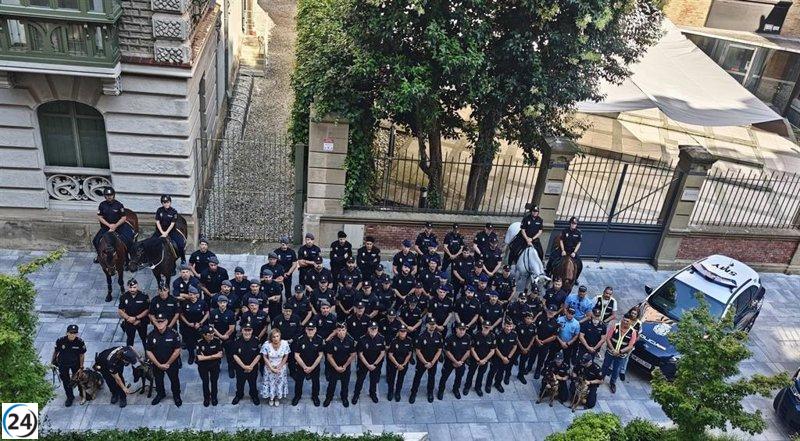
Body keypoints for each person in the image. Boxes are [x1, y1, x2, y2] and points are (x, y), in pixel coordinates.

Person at [146, 313, 183, 406]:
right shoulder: (151, 335)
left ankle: (176, 396)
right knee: (158, 380)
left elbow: (177, 350)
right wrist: (158, 364)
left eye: (162, 321)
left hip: (171, 363)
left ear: (166, 322)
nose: (160, 323)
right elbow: (148, 351)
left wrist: (168, 363)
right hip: (157, 363)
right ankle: (160, 394)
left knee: (174, 380)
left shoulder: (173, 334)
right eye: (158, 321)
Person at [409, 317, 443, 403]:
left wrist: (432, 362)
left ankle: (430, 393)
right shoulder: (421, 336)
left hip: (433, 362)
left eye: (434, 324)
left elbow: (439, 350)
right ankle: (413, 393)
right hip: (422, 362)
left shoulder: (438, 335)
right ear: (427, 325)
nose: (432, 326)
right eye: (430, 324)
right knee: (417, 378)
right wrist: (425, 362)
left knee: (431, 378)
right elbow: (418, 351)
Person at [602, 313, 638, 393]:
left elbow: (630, 346)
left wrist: (620, 352)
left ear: (631, 322)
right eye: (624, 320)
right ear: (622, 319)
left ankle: (612, 383)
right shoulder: (615, 326)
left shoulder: (633, 332)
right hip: (610, 352)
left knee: (616, 369)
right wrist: (613, 350)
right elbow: (608, 338)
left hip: (621, 355)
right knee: (605, 365)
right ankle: (601, 378)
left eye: (627, 321)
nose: (625, 322)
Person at [51, 324, 86, 407]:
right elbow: (56, 351)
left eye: (75, 333)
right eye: (71, 333)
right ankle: (70, 397)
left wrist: (81, 367)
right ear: (67, 333)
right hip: (63, 364)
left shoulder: (80, 342)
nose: (73, 335)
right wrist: (52, 362)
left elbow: (82, 355)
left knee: (78, 379)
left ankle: (82, 394)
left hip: (75, 364)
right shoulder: (61, 341)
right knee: (66, 381)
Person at [92, 187, 134, 255]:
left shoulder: (119, 205)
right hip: (106, 227)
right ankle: (99, 255)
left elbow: (123, 218)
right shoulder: (102, 205)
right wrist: (109, 226)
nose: (109, 197)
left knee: (128, 240)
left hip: (119, 227)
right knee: (95, 241)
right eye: (107, 195)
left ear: (113, 195)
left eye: (111, 195)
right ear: (105, 196)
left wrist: (115, 226)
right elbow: (100, 217)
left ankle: (128, 257)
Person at [291, 323, 325, 406]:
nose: (310, 331)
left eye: (312, 329)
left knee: (316, 382)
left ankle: (315, 396)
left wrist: (312, 367)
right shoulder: (300, 339)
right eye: (309, 329)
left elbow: (320, 354)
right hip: (302, 365)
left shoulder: (319, 339)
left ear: (315, 330)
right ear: (306, 330)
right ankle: (297, 396)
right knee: (299, 382)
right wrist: (304, 367)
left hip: (314, 365)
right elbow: (296, 355)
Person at [352, 321, 386, 404]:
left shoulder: (381, 338)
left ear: (377, 329)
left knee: (373, 380)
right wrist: (367, 365)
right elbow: (360, 354)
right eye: (372, 328)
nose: (373, 330)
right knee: (360, 380)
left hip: (375, 364)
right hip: (363, 364)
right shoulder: (362, 338)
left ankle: (372, 394)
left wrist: (374, 364)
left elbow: (382, 353)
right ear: (368, 329)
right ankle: (356, 394)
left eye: (375, 328)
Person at [437, 321, 471, 400]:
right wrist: (455, 362)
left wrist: (460, 362)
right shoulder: (450, 338)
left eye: (463, 329)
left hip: (461, 362)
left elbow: (468, 351)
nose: (462, 331)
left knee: (459, 377)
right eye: (460, 329)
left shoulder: (468, 338)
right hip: (449, 362)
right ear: (456, 329)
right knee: (444, 376)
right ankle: (441, 390)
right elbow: (447, 351)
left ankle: (455, 389)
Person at [232, 321, 261, 405]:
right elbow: (235, 355)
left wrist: (251, 366)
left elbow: (259, 355)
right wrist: (244, 366)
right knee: (240, 383)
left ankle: (254, 395)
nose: (247, 332)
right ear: (242, 330)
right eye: (245, 330)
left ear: (252, 331)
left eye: (249, 330)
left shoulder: (256, 341)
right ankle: (239, 395)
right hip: (240, 368)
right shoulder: (237, 341)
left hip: (253, 368)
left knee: (253, 383)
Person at [463, 322, 495, 397]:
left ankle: (478, 388)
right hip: (475, 359)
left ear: (490, 327)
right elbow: (472, 348)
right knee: (471, 373)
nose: (486, 328)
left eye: (488, 327)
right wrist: (478, 359)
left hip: (485, 360)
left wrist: (484, 360)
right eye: (485, 327)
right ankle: (467, 387)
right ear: (482, 326)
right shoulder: (475, 335)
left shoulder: (492, 336)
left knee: (481, 374)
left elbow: (492, 351)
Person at [261, 328, 291, 406]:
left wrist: (279, 367)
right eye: (273, 337)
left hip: (280, 368)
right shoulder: (266, 344)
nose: (276, 338)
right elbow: (264, 357)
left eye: (277, 336)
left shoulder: (285, 344)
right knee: (270, 383)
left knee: (279, 383)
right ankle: (271, 397)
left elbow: (286, 356)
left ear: (280, 336)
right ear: (271, 337)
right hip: (269, 368)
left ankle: (277, 397)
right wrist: (271, 368)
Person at [209, 295, 237, 378]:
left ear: (227, 303)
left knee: (230, 354)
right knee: (217, 354)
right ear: (218, 303)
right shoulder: (213, 313)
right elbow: (212, 326)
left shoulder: (231, 313)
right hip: (217, 337)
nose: (222, 304)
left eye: (224, 302)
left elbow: (232, 328)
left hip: (228, 337)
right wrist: (220, 336)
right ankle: (216, 369)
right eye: (221, 302)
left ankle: (231, 369)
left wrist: (226, 335)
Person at [179, 286, 209, 364]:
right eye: (190, 294)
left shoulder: (202, 302)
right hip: (189, 327)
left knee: (200, 342)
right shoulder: (185, 303)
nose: (191, 296)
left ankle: (199, 355)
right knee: (189, 343)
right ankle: (191, 355)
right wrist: (188, 323)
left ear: (196, 294)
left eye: (193, 294)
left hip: (199, 326)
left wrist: (200, 323)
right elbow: (181, 314)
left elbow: (207, 313)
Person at [153, 194, 185, 263]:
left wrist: (166, 233)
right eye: (164, 202)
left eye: (167, 202)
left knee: (180, 244)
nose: (166, 204)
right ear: (162, 203)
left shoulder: (174, 212)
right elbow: (157, 222)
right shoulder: (159, 210)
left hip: (171, 231)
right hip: (160, 231)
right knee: (151, 243)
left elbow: (172, 224)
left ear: (170, 202)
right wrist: (162, 232)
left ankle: (183, 259)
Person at [118, 278, 149, 349]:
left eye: (134, 287)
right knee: (130, 340)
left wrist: (136, 318)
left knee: (144, 339)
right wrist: (128, 318)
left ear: (137, 287)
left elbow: (147, 310)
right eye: (130, 287)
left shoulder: (144, 296)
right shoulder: (124, 297)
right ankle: (129, 357)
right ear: (127, 287)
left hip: (141, 321)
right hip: (129, 322)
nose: (132, 289)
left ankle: (148, 357)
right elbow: (120, 310)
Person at [487, 319, 517, 392]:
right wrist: (502, 357)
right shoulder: (498, 334)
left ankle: (498, 384)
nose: (509, 328)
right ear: (504, 325)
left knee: (501, 372)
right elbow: (495, 347)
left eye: (510, 326)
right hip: (497, 357)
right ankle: (488, 385)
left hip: (507, 358)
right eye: (507, 326)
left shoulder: (514, 334)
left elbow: (515, 346)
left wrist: (508, 357)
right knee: (492, 371)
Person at [196, 325, 223, 407]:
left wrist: (206, 357)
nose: (212, 335)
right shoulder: (200, 342)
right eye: (209, 334)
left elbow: (220, 355)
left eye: (213, 333)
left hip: (215, 365)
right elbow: (199, 358)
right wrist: (213, 356)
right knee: (205, 382)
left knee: (214, 381)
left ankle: (214, 397)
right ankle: (206, 398)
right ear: (204, 335)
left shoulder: (217, 341)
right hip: (203, 366)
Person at [385, 324, 413, 402]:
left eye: (404, 331)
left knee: (400, 379)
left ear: (406, 332)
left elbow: (409, 353)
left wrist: (403, 364)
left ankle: (398, 393)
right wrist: (397, 364)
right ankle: (390, 392)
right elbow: (390, 354)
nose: (403, 333)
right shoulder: (394, 341)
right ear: (398, 332)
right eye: (401, 331)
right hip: (394, 363)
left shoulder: (409, 340)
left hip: (404, 364)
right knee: (391, 378)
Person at [532, 304, 560, 379]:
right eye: (549, 310)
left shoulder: (556, 323)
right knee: (532, 356)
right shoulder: (540, 317)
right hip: (536, 341)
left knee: (541, 359)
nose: (551, 312)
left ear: (555, 313)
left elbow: (554, 336)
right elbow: (535, 328)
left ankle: (538, 371)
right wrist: (537, 339)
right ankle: (528, 367)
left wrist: (543, 342)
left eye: (553, 311)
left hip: (545, 345)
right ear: (547, 310)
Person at [618, 306, 642, 382]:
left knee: (625, 358)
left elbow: (638, 335)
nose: (633, 315)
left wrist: (632, 344)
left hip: (630, 344)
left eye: (635, 314)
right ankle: (611, 368)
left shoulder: (639, 324)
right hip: (621, 341)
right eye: (632, 313)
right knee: (616, 354)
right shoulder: (625, 318)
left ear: (637, 315)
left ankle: (622, 371)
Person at [515, 312, 537, 383]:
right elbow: (516, 337)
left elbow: (533, 337)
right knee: (512, 361)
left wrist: (527, 348)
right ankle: (507, 376)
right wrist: (521, 347)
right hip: (518, 347)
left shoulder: (533, 327)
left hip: (527, 348)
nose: (529, 320)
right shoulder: (519, 325)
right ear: (524, 318)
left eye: (531, 318)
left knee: (523, 362)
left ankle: (520, 375)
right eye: (528, 318)